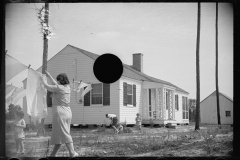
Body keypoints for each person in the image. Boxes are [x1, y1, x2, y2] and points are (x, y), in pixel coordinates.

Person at [41, 71, 79, 157]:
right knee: (59, 134)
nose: (57, 81)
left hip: (60, 112)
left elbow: (47, 86)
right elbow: (55, 84)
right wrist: (49, 76)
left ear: (60, 80)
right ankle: (53, 155)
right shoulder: (67, 87)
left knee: (64, 134)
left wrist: (42, 79)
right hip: (67, 112)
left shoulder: (59, 88)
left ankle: (72, 153)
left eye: (58, 80)